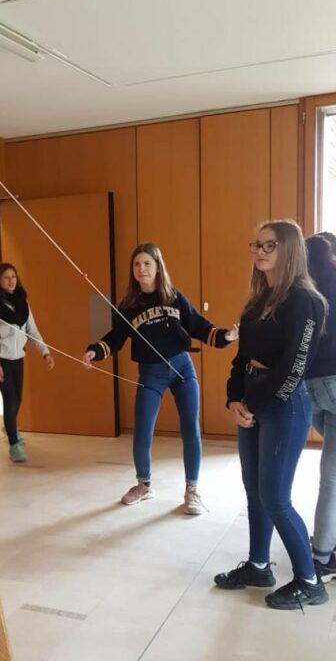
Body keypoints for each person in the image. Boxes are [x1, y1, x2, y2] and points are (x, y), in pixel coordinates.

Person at [215, 219, 328, 610]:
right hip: (253, 401)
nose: (259, 251)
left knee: (275, 497)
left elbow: (293, 368)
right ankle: (259, 566)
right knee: (255, 491)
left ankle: (310, 581)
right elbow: (242, 358)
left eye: (269, 245)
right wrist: (234, 398)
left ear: (289, 249)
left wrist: (253, 405)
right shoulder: (258, 301)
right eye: (256, 245)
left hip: (283, 406)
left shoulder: (306, 301)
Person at [83, 243, 238, 515]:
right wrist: (95, 351)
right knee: (142, 432)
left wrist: (225, 336)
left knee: (190, 428)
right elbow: (115, 338)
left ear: (157, 267)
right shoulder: (129, 306)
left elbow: (199, 326)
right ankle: (143, 485)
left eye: (147, 263)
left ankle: (192, 491)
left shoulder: (174, 297)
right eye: (137, 264)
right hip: (150, 373)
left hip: (182, 369)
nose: (141, 269)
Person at [0, 263, 54, 463]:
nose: (11, 281)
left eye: (13, 276)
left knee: (18, 399)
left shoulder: (23, 305)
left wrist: (45, 352)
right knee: (10, 400)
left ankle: (10, 427)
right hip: (2, 360)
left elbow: (32, 331)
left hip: (18, 359)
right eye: (6, 277)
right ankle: (14, 445)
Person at [305, 234, 336, 578]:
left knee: (330, 471)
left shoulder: (303, 290)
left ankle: (326, 543)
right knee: (332, 474)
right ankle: (325, 554)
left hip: (309, 387)